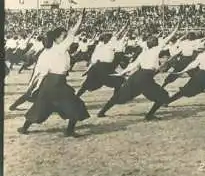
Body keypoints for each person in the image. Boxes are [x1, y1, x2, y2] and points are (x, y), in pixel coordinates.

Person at [17, 9, 90, 137]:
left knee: (41, 107)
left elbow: (40, 71)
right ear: (56, 39)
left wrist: (36, 86)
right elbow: (73, 33)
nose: (66, 38)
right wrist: (80, 19)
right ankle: (69, 131)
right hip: (55, 83)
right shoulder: (59, 48)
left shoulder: (49, 50)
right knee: (75, 104)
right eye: (63, 36)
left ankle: (24, 128)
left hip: (52, 83)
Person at [96, 24, 180, 120]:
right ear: (155, 44)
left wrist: (122, 72)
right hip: (146, 78)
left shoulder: (143, 53)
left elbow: (133, 65)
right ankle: (149, 115)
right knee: (163, 95)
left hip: (136, 76)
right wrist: (176, 28)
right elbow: (168, 38)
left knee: (119, 96)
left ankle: (102, 112)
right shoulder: (156, 50)